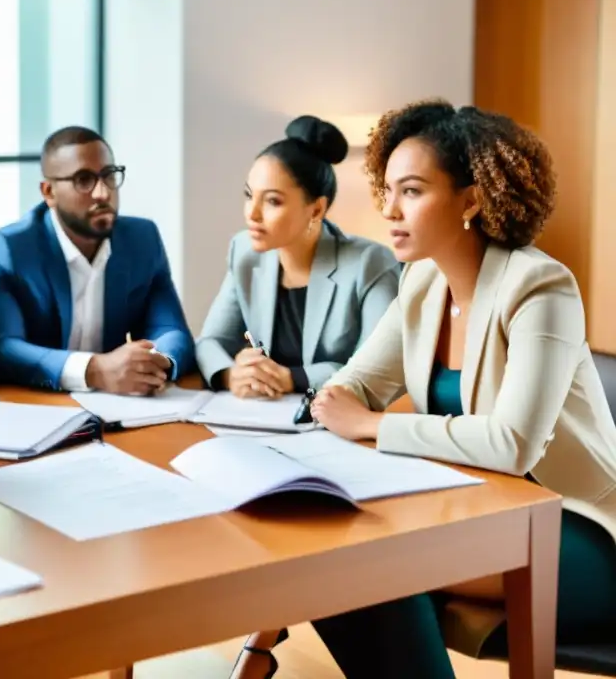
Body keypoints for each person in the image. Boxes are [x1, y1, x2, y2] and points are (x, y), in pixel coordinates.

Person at [241, 100, 616, 678]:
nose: (389, 209)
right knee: (332, 566)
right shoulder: (422, 281)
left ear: (472, 199)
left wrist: (370, 424)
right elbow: (355, 385)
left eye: (411, 191)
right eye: (387, 190)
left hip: (576, 530)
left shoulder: (541, 287)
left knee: (371, 572)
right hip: (482, 511)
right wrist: (336, 404)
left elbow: (513, 444)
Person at [0, 126, 195, 394]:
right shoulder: (6, 249)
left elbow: (172, 330)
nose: (102, 193)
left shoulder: (142, 239)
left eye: (109, 175)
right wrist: (94, 370)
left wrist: (157, 363)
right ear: (48, 192)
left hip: (118, 407)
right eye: (83, 179)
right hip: (36, 406)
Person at [196, 115, 399, 398]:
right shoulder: (244, 252)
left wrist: (293, 378)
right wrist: (232, 374)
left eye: (272, 201)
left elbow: (380, 370)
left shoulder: (371, 263)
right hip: (260, 417)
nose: (251, 214)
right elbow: (210, 342)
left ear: (316, 210)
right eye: (248, 195)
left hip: (338, 421)